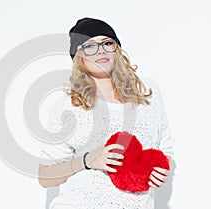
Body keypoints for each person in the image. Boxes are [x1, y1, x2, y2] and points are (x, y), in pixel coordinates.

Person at [38, 17, 174, 209]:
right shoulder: (68, 107)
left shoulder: (147, 92)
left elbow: (164, 148)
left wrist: (159, 171)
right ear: (78, 57)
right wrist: (89, 160)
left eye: (107, 43)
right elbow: (45, 176)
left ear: (116, 49)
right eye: (89, 46)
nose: (100, 50)